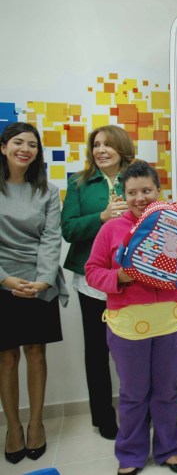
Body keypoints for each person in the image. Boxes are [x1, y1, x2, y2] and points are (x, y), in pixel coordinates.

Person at [86, 160, 177, 475]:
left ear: (159, 191)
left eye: (147, 190)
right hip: (127, 324)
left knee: (167, 391)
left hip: (171, 320)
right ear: (123, 194)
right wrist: (120, 278)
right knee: (132, 393)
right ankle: (130, 455)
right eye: (132, 192)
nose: (139, 197)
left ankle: (169, 449)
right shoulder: (110, 229)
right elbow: (92, 272)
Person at [61, 125, 135, 440]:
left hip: (132, 278)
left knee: (133, 348)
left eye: (107, 144)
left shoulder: (137, 178)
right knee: (97, 349)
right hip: (91, 281)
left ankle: (136, 411)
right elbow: (68, 229)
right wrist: (102, 218)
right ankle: (103, 416)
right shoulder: (78, 182)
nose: (100, 150)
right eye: (96, 145)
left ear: (122, 148)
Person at [0, 122, 67, 465]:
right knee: (7, 356)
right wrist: (6, 281)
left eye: (32, 144)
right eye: (17, 142)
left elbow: (51, 238)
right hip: (2, 282)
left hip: (39, 281)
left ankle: (36, 423)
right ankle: (13, 427)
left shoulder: (48, 192)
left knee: (36, 352)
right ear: (3, 148)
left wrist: (42, 280)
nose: (25, 148)